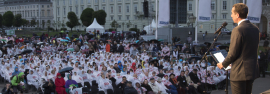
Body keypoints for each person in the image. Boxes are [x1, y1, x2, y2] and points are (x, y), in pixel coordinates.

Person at [217, 3, 260, 94]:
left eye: (232, 13)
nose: (231, 15)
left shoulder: (238, 30)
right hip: (251, 70)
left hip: (239, 72)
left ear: (238, 15)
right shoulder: (255, 29)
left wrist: (223, 64)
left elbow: (233, 53)